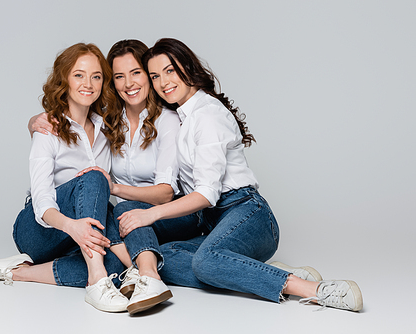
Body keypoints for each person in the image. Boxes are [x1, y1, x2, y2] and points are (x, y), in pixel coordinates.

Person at [111, 37, 363, 312]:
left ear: (187, 67)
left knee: (204, 262)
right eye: (155, 76)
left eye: (170, 71)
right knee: (162, 256)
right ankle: (250, 272)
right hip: (213, 221)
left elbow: (207, 194)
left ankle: (315, 290)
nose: (163, 83)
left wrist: (152, 214)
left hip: (249, 214)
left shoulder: (207, 115)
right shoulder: (183, 116)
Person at [29, 39, 201, 314]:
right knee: (103, 192)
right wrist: (35, 123)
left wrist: (116, 189)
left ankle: (19, 272)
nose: (128, 83)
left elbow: (166, 192)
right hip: (84, 221)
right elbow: (69, 127)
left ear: (148, 75)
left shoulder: (162, 120)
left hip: (147, 215)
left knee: (116, 236)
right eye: (119, 76)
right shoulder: (110, 122)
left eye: (136, 73)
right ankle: (127, 272)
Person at [0, 43, 130, 313]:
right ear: (64, 79)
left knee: (115, 264)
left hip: (78, 239)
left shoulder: (105, 129)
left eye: (96, 76)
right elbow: (42, 199)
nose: (88, 83)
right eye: (79, 75)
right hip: (39, 230)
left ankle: (16, 272)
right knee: (94, 178)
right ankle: (97, 283)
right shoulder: (48, 127)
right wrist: (72, 226)